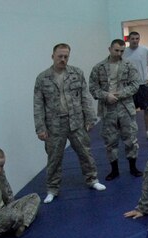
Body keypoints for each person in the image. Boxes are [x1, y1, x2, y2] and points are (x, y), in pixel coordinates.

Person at [33, 43, 106, 204]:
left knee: (85, 153)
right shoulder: (42, 78)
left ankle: (92, 179)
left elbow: (85, 97)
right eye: (60, 56)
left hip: (76, 122)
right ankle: (52, 189)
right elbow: (38, 105)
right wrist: (40, 128)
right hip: (54, 125)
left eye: (66, 56)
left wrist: (90, 118)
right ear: (53, 56)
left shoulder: (76, 73)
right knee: (54, 158)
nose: (63, 59)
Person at [89, 39, 143, 181]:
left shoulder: (128, 65)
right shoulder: (99, 67)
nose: (119, 53)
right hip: (108, 109)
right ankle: (114, 170)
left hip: (125, 107)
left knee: (131, 138)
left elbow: (135, 84)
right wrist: (106, 96)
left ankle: (133, 167)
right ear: (110, 49)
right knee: (110, 140)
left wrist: (120, 94)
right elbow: (93, 87)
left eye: (121, 51)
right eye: (116, 50)